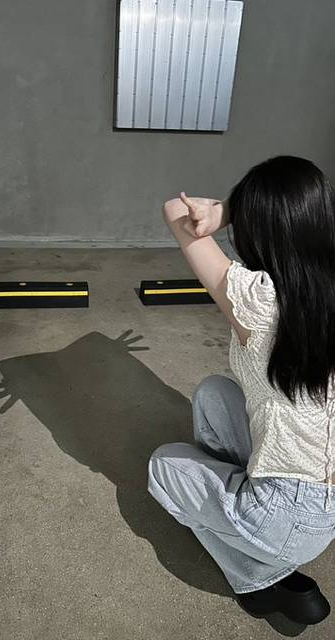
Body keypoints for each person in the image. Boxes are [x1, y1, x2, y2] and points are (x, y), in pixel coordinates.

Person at [148, 156, 335, 625]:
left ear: (256, 227)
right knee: (215, 393)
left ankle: (255, 579)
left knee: (164, 465)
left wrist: (225, 210)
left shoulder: (259, 299)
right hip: (321, 497)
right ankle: (245, 518)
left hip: (286, 514)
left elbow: (175, 210)